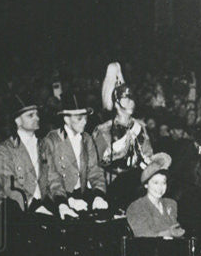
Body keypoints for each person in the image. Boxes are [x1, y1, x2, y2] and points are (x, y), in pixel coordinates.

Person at [95, 63, 154, 211]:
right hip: (112, 185)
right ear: (116, 104)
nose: (131, 102)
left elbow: (148, 154)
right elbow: (99, 162)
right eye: (125, 99)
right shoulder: (103, 130)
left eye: (132, 99)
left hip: (136, 184)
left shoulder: (140, 127)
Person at [41, 95, 108, 218]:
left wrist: (98, 195)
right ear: (66, 119)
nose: (85, 122)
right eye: (79, 118)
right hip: (58, 198)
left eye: (86, 118)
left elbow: (95, 171)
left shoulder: (87, 139)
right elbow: (51, 179)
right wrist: (66, 202)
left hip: (81, 196)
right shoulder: (51, 141)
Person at [0, 97, 47, 213]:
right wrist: (33, 206)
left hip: (44, 204)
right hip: (16, 206)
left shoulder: (44, 145)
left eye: (37, 114)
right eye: (30, 115)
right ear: (18, 121)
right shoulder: (4, 150)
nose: (37, 118)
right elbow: (10, 186)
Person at [125, 153, 183, 238]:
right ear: (146, 185)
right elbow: (143, 237)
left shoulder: (171, 204)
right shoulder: (136, 207)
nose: (160, 187)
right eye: (155, 182)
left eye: (163, 182)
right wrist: (169, 233)